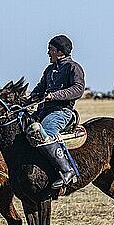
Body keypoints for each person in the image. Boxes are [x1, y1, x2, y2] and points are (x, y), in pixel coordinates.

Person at [28, 35, 85, 189]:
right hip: (43, 111)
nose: (48, 53)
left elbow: (78, 89)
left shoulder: (74, 67)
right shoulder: (49, 69)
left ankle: (67, 170)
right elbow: (40, 88)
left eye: (51, 50)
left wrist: (54, 95)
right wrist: (28, 99)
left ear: (60, 52)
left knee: (42, 132)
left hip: (62, 111)